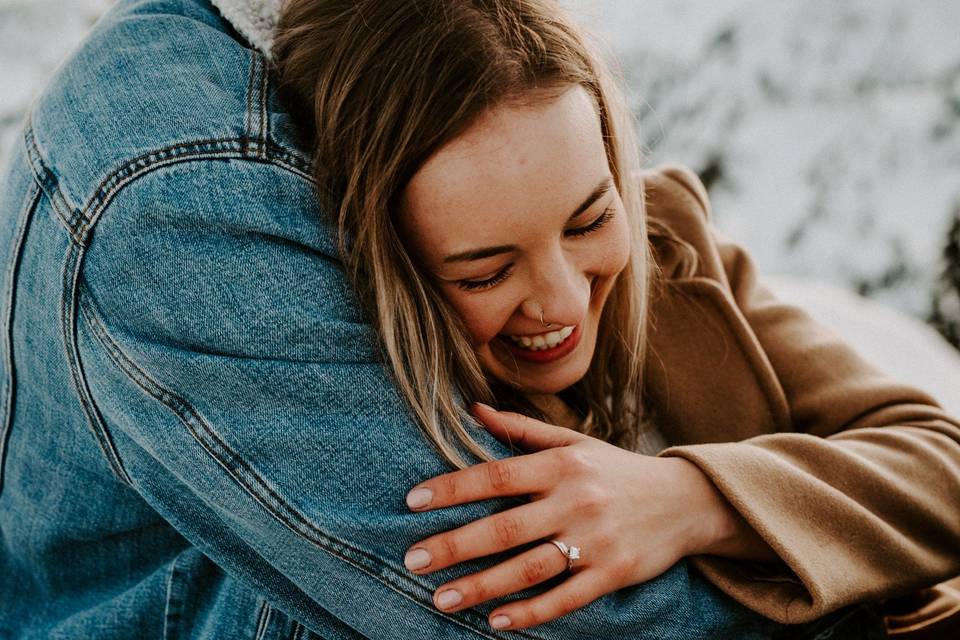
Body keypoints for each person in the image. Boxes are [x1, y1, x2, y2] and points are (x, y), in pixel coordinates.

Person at [0, 3, 951, 640]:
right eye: (484, 269)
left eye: (588, 218)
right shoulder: (372, 412)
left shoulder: (673, 243)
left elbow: (939, 461)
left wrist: (699, 500)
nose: (565, 301)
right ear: (392, 269)